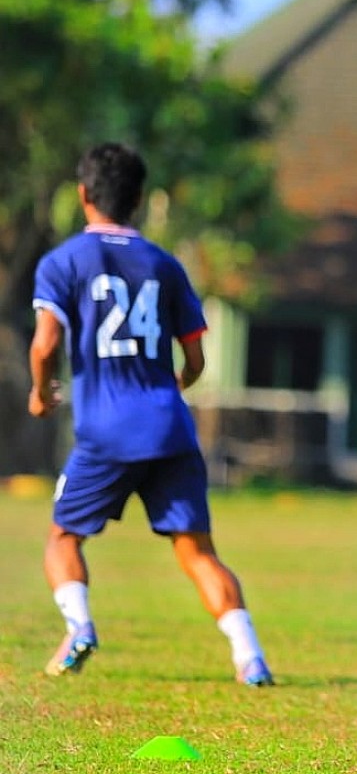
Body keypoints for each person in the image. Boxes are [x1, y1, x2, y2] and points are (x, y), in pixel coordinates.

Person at [28, 142, 274, 686]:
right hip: (170, 428)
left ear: (83, 194)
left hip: (105, 433)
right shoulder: (165, 265)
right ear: (139, 199)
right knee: (198, 552)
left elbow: (45, 345)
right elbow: (195, 359)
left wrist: (42, 393)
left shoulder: (62, 261)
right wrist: (170, 387)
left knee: (63, 538)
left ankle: (80, 626)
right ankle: (249, 656)